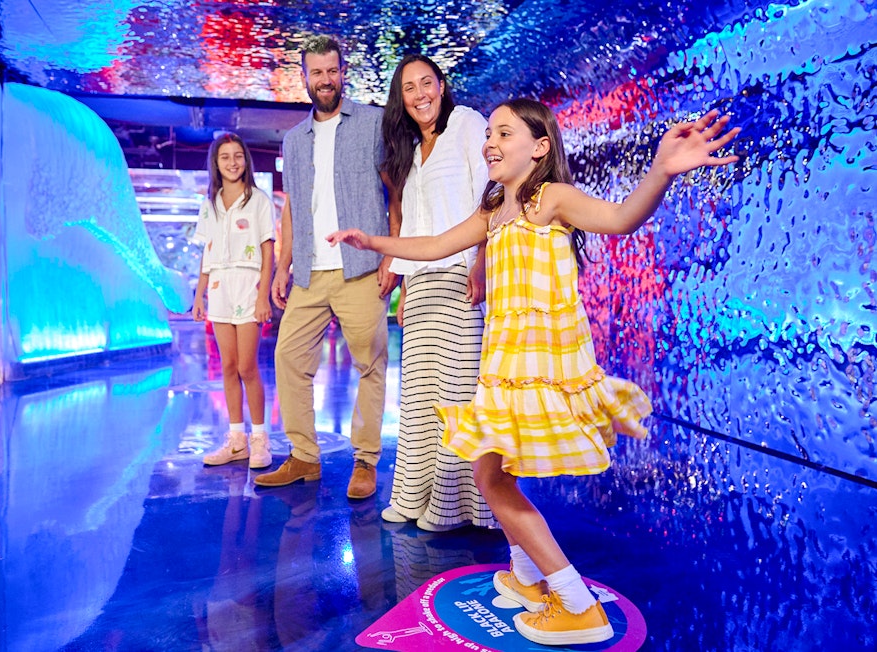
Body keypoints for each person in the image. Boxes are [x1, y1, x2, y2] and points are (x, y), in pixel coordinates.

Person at [328, 100, 739, 645]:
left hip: (541, 365)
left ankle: (575, 603)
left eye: (503, 132)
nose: (488, 143)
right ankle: (526, 577)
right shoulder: (495, 209)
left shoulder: (551, 200)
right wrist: (375, 242)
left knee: (490, 479)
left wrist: (661, 169)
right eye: (489, 133)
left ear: (539, 147)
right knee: (501, 470)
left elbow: (620, 219)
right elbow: (433, 246)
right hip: (504, 363)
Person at [252, 35, 400, 500]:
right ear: (304, 77)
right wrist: (281, 267)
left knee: (370, 364)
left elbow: (394, 193)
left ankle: (365, 460)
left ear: (343, 71)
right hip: (310, 273)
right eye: (316, 72)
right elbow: (293, 207)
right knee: (289, 358)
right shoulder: (294, 140)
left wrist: (392, 256)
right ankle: (304, 458)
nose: (325, 80)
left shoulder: (374, 123)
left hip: (360, 267)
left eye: (332, 70)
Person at [378, 54, 494, 532]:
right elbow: (411, 225)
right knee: (419, 396)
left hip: (461, 274)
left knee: (458, 393)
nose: (420, 94)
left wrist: (482, 263)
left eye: (428, 83)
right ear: (400, 99)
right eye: (409, 88)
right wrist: (403, 287)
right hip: (421, 282)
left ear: (442, 87)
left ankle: (457, 506)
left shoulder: (467, 124)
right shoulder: (408, 147)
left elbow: (491, 197)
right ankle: (413, 495)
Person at [193, 132, 275, 470]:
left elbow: (269, 251)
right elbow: (206, 254)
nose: (232, 162)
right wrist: (198, 294)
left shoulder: (259, 200)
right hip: (218, 287)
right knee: (226, 366)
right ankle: (236, 438)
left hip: (248, 284)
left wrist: (263, 294)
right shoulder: (209, 205)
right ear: (216, 162)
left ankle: (259, 438)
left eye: (237, 155)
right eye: (225, 156)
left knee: (246, 366)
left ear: (246, 159)